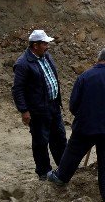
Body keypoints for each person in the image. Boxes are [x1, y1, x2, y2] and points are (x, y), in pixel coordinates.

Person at [47, 48, 105, 202]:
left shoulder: (84, 77)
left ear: (98, 60)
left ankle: (61, 177)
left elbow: (73, 105)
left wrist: (84, 116)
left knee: (73, 152)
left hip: (85, 127)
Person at [12, 30, 67, 180]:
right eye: (44, 43)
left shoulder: (46, 57)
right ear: (35, 45)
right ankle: (43, 172)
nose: (47, 46)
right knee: (41, 141)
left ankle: (64, 167)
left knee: (60, 137)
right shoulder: (23, 64)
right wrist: (24, 111)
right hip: (38, 110)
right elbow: (17, 89)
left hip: (53, 106)